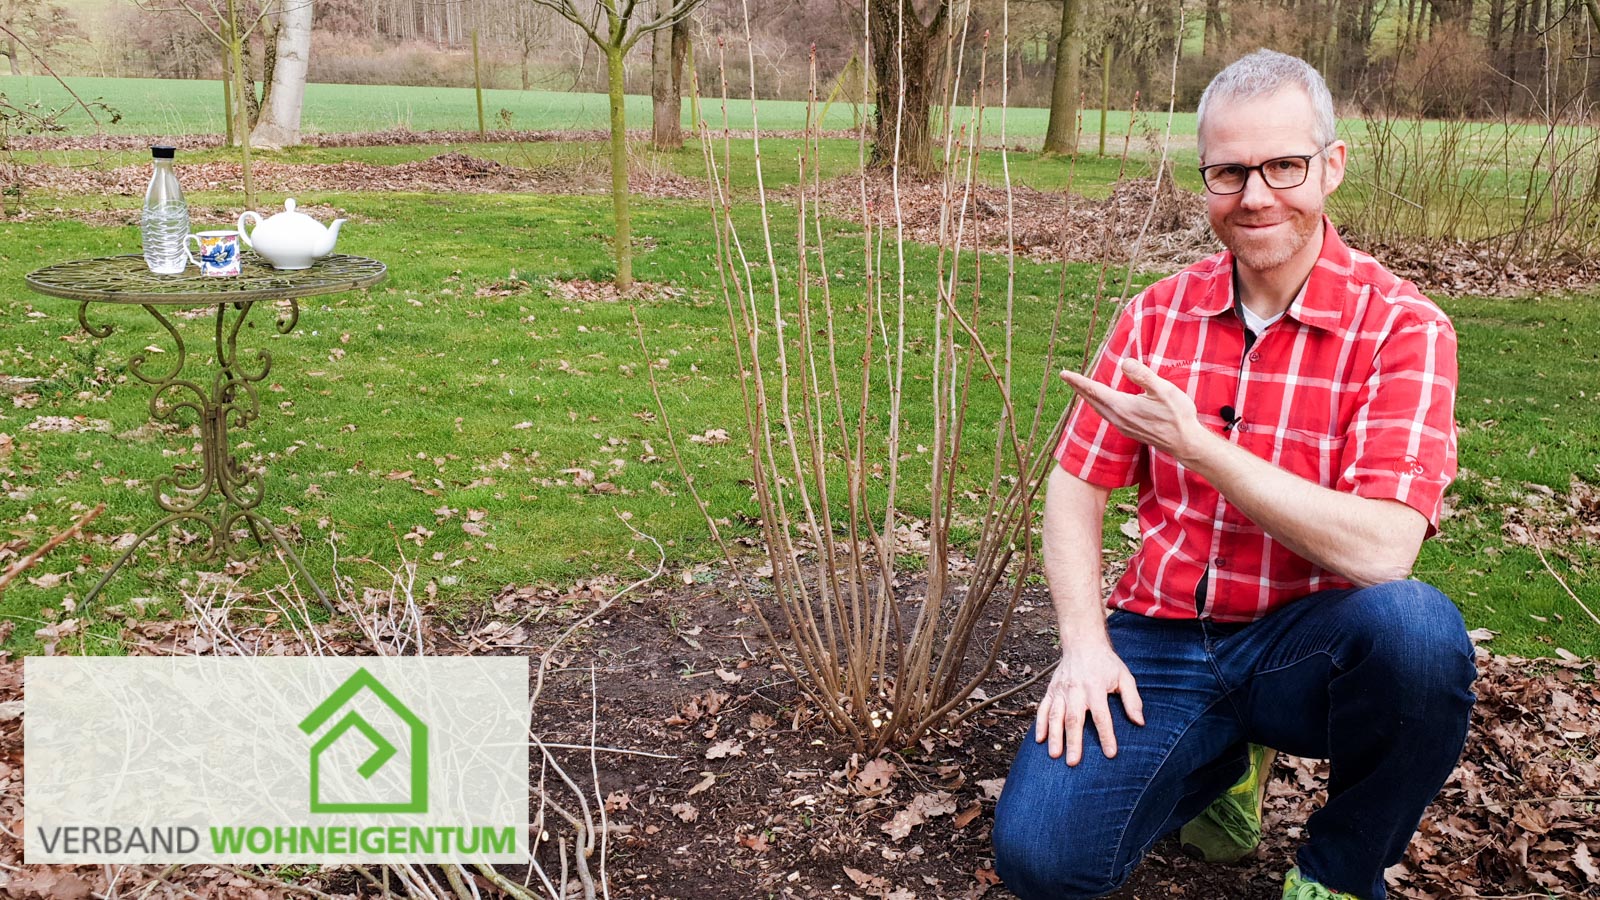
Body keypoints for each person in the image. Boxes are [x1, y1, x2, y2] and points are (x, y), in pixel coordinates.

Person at [990, 49, 1478, 900]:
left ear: (1331, 166)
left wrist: (1201, 448)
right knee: (1044, 861)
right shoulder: (1154, 314)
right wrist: (1083, 646)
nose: (1255, 196)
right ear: (1206, 178)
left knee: (1420, 638)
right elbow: (1076, 483)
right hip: (1166, 631)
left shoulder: (1405, 328)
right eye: (1228, 172)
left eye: (1283, 165)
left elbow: (1383, 550)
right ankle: (1220, 762)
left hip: (1311, 646)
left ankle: (1337, 871)